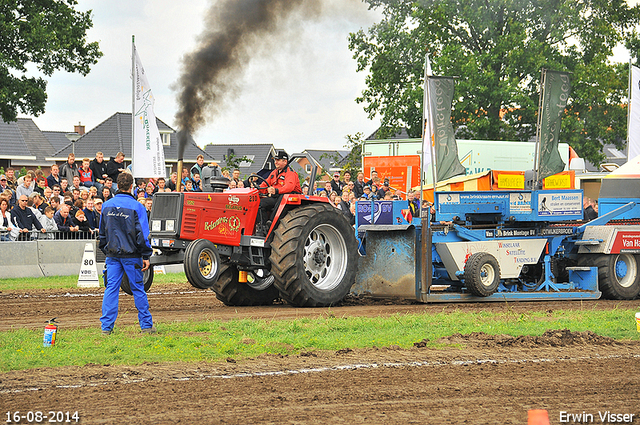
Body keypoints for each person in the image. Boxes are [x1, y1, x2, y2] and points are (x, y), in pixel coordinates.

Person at [99, 172, 155, 335]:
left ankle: (106, 328)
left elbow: (102, 233)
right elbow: (143, 235)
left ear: (117, 185)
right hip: (132, 255)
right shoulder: (138, 206)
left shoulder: (106, 205)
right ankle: (146, 326)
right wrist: (146, 255)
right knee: (138, 289)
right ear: (132, 187)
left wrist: (107, 250)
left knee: (111, 289)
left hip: (113, 255)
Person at [257, 150, 301, 230]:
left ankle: (272, 223)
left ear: (285, 161)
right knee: (260, 203)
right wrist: (256, 190)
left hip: (289, 196)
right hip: (277, 196)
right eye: (275, 160)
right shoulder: (274, 172)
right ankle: (262, 226)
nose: (275, 162)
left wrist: (276, 190)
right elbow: (265, 184)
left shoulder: (290, 173)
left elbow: (289, 187)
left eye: (278, 160)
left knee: (282, 198)